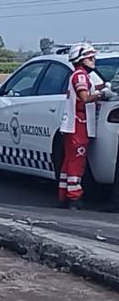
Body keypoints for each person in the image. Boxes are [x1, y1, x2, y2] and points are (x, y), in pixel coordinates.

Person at [59, 42, 105, 209]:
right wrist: (102, 95)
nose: (93, 60)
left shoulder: (81, 75)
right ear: (81, 59)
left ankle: (64, 195)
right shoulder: (80, 76)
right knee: (77, 161)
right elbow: (85, 98)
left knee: (69, 161)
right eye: (90, 57)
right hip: (79, 123)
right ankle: (74, 198)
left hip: (76, 122)